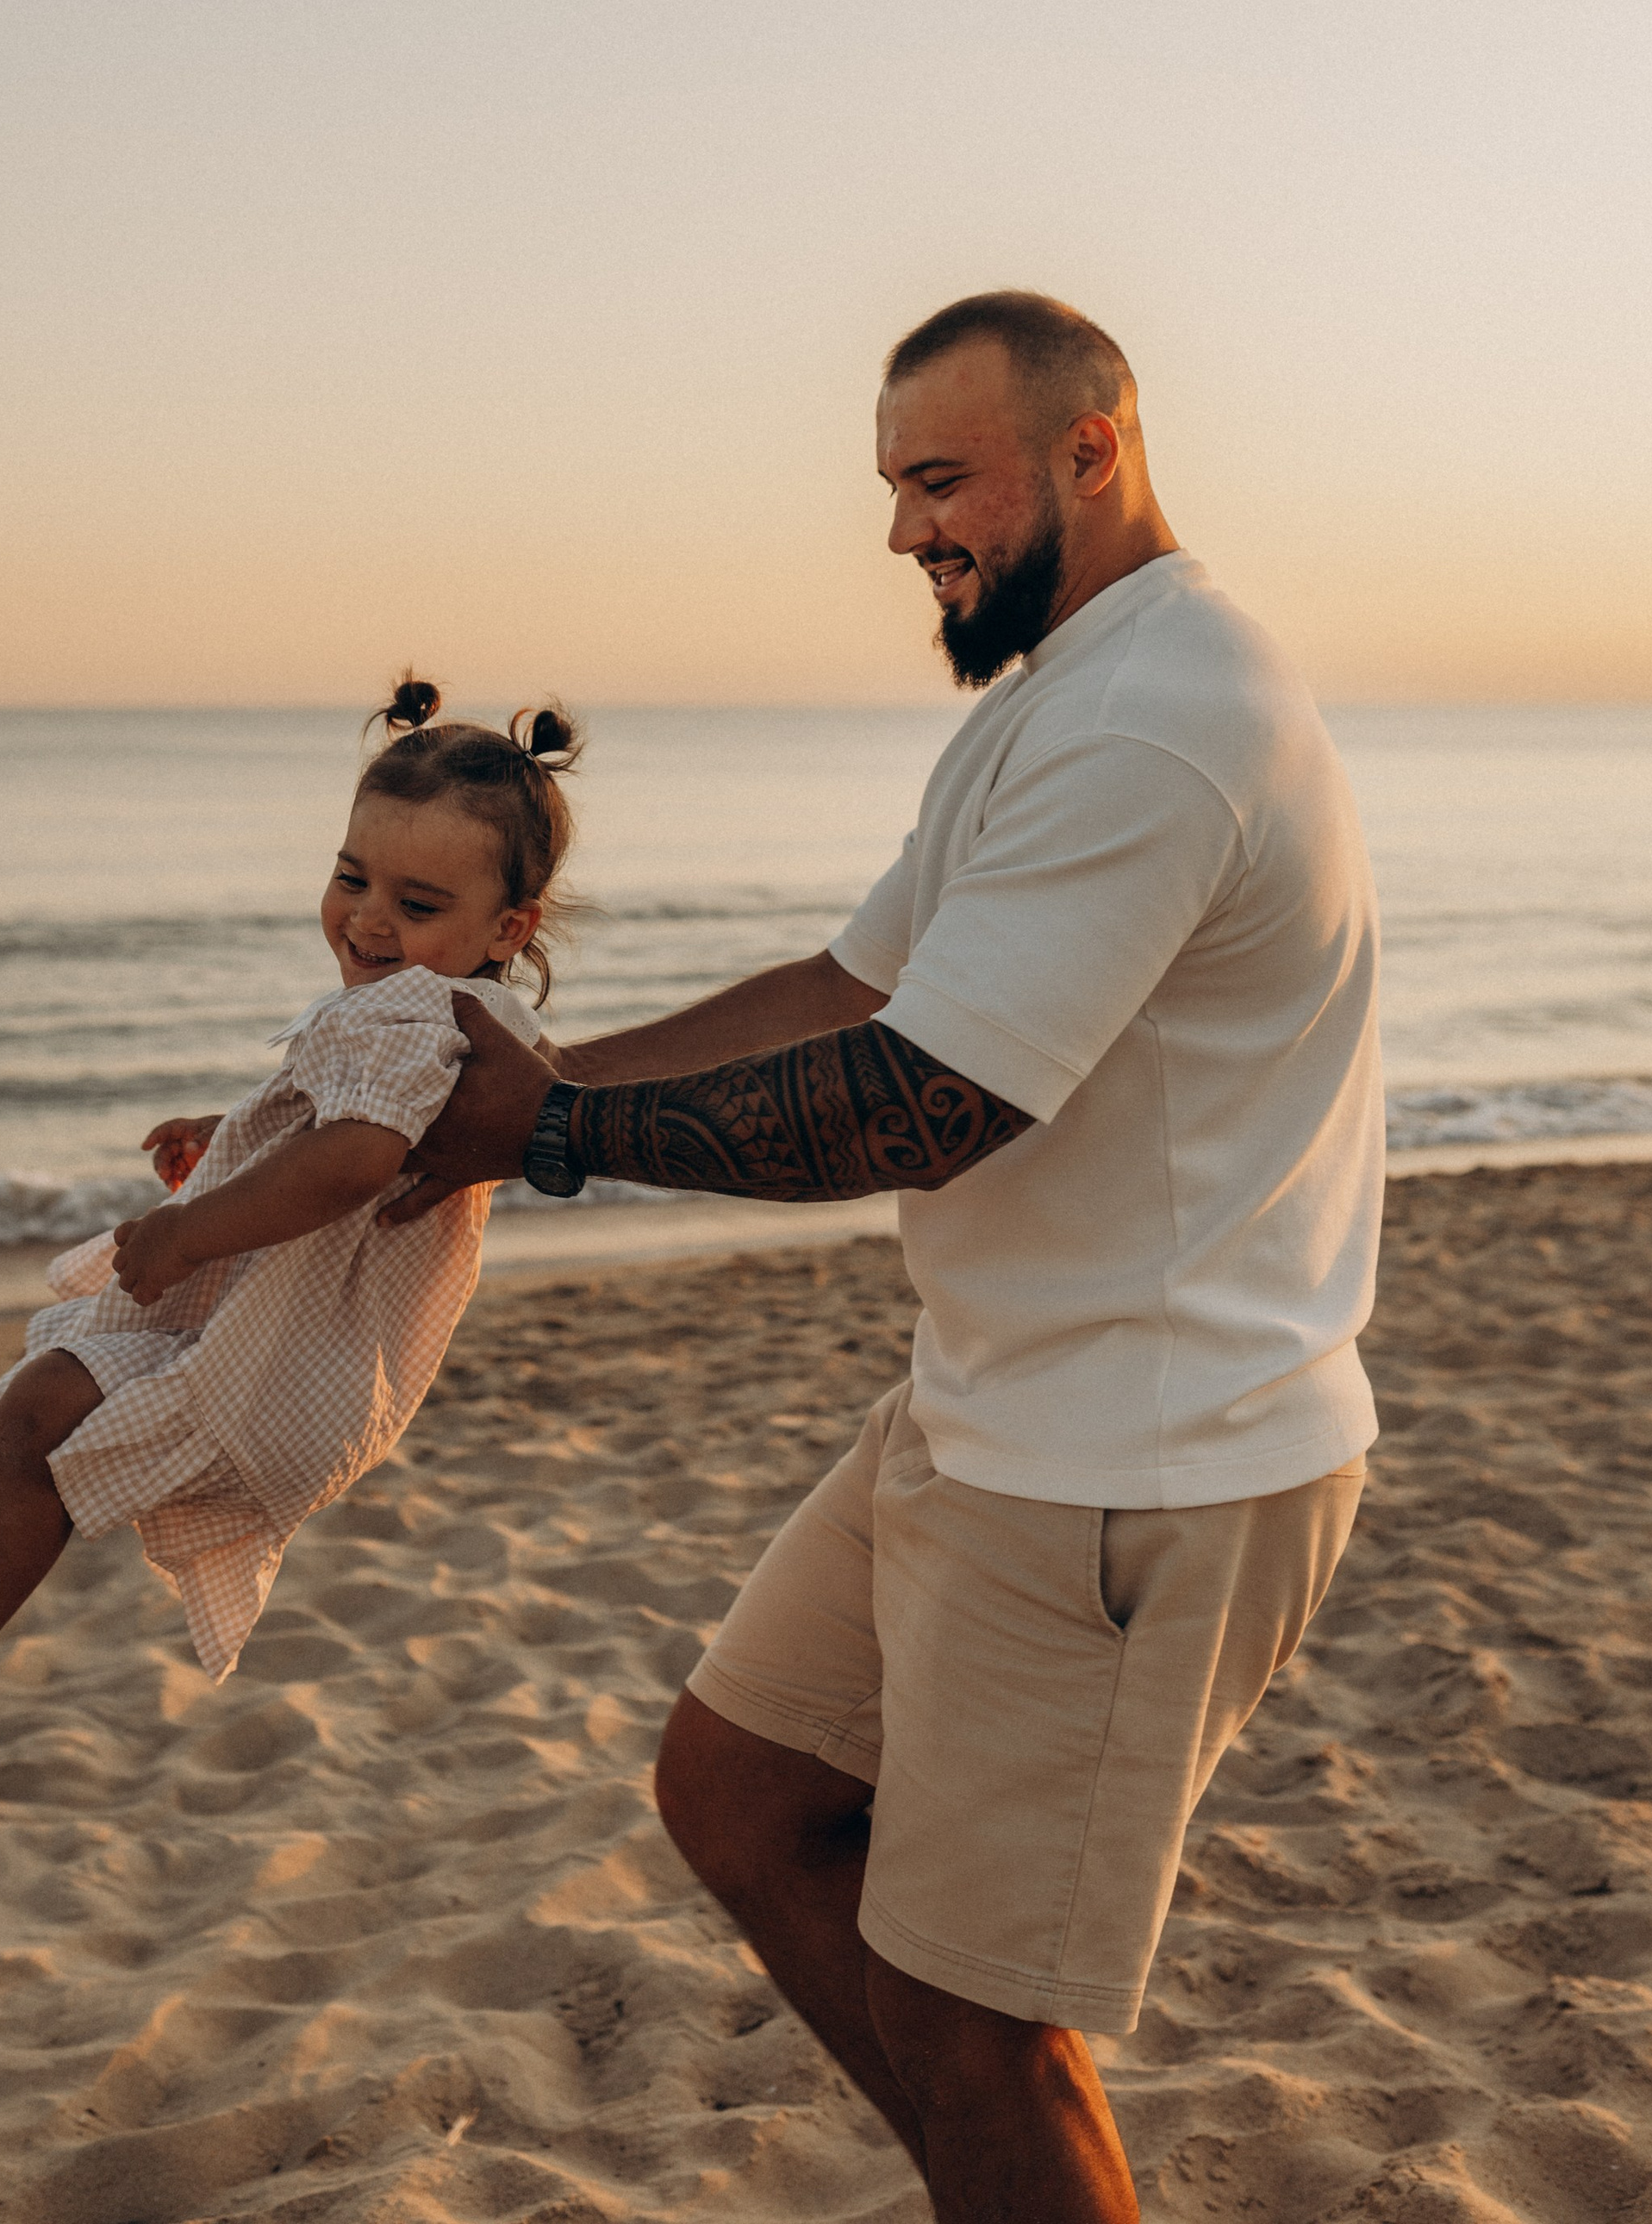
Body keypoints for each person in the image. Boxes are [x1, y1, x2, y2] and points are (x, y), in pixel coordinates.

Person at [394, 290, 1383, 2224]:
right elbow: (848, 982)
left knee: (970, 2010)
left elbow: (923, 1102)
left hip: (1137, 1462)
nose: (902, 532)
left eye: (942, 480)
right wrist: (525, 1085)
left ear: (1091, 449)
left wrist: (565, 1139)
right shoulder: (1055, 696)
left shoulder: (1159, 722)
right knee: (741, 1794)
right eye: (891, 486)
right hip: (989, 1406)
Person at [0, 682, 576, 1808]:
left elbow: (359, 1160)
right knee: (40, 1400)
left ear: (507, 929)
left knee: (43, 1408)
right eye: (350, 878)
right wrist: (230, 1136)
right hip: (282, 1348)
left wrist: (190, 1228)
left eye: (416, 903)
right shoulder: (445, 1018)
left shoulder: (411, 1015)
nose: (369, 921)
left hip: (281, 1367)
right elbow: (350, 1130)